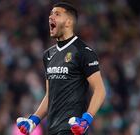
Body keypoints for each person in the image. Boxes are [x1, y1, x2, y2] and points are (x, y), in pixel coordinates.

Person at [16, 2, 106, 135]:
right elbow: (50, 94)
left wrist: (86, 120)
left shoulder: (83, 52)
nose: (50, 17)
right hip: (52, 129)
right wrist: (34, 120)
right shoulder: (48, 55)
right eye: (50, 14)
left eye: (57, 14)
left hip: (72, 129)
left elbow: (100, 90)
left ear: (68, 22)